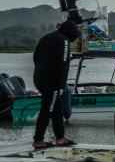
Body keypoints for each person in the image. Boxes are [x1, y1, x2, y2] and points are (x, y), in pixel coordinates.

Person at [32, 20, 80, 150]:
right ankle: (38, 140)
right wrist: (60, 86)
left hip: (40, 79)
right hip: (53, 83)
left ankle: (60, 138)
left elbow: (35, 57)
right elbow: (63, 64)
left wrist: (41, 75)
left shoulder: (47, 37)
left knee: (56, 108)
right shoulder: (63, 41)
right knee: (48, 109)